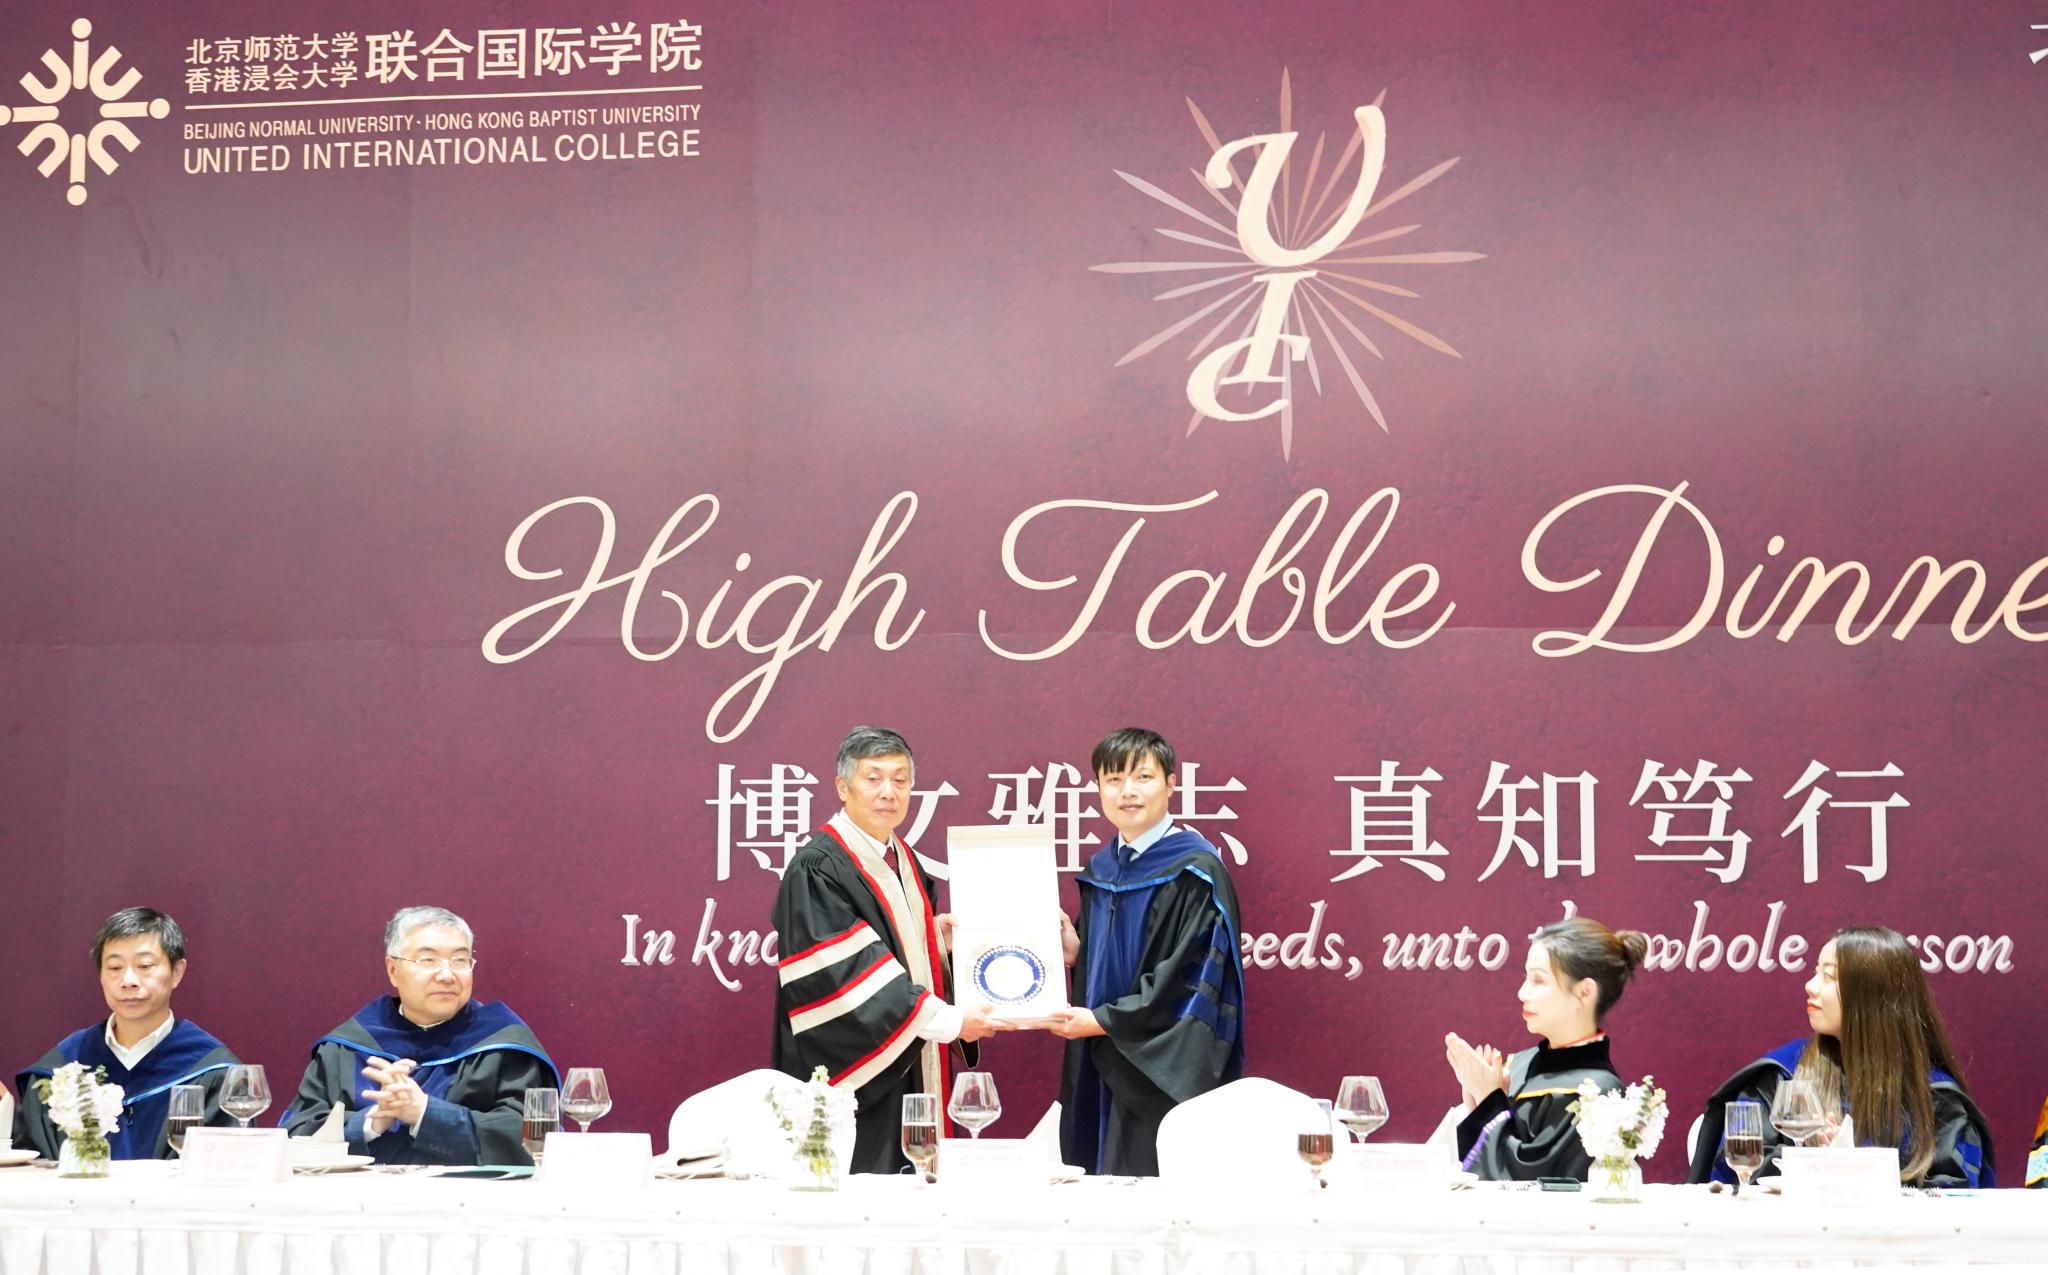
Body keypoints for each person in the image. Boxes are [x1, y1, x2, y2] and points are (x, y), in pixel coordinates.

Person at [771, 726, 1001, 1174]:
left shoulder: (903, 859)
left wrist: (932, 942)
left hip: (910, 1057)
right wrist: (951, 1021)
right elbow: (841, 973)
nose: (888, 792)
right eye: (873, 778)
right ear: (843, 787)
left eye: (900, 779)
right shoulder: (817, 867)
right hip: (862, 1073)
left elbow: (891, 946)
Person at [1050, 727, 1247, 1177]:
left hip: (1157, 1071)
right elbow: (1108, 961)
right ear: (1098, 788)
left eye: (1143, 777)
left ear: (1170, 784)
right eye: (1113, 779)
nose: (1128, 791)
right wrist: (1077, 953)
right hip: (1097, 1059)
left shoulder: (1195, 871)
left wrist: (1103, 1020)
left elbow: (1189, 977)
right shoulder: (1102, 868)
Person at [1687, 925, 1994, 1188]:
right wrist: (1814, 1162)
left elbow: (1957, 1195)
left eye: (1828, 976)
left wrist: (1857, 1168)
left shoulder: (1935, 1098)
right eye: (1815, 972)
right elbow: (1739, 1173)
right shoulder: (1781, 1077)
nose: (1810, 986)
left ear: (1871, 997)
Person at [280, 906, 558, 1165]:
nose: (447, 975)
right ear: (393, 970)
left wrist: (424, 1112)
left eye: (460, 960)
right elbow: (296, 1134)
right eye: (428, 960)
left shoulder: (504, 1045)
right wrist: (370, 1122)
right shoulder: (346, 1048)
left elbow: (534, 1140)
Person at [13, 907, 241, 1159]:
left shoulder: (213, 1070)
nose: (128, 980)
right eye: (114, 967)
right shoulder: (62, 1067)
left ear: (176, 972)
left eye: (145, 965)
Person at [1445, 916, 1646, 1181]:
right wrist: (1477, 1107)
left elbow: (1535, 1183)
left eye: (1538, 980)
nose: (1522, 993)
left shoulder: (1599, 1096)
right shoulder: (1515, 1067)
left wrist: (1489, 1102)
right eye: (1526, 977)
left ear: (1584, 992)